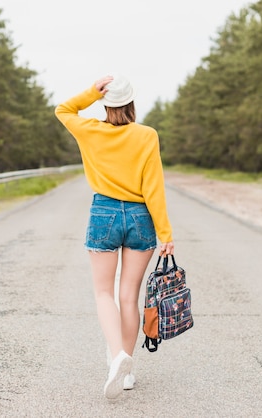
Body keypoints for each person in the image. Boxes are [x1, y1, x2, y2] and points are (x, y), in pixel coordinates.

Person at [55, 75, 174, 399]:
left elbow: (63, 110)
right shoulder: (147, 135)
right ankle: (127, 370)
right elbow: (154, 186)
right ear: (132, 103)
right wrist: (165, 232)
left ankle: (116, 356)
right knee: (128, 296)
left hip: (104, 213)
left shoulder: (90, 131)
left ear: (106, 105)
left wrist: (92, 93)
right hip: (140, 216)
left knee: (103, 293)